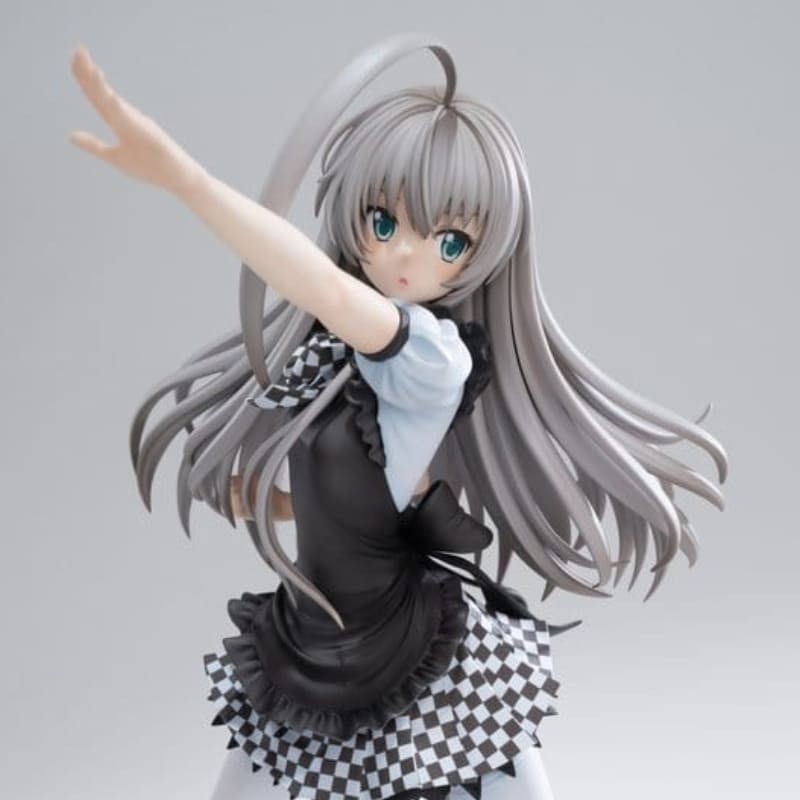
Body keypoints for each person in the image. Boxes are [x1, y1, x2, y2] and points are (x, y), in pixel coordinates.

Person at [70, 33, 727, 800]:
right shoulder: (339, 355)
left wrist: (190, 182)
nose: (407, 257)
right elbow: (370, 478)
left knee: (492, 777)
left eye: (448, 240)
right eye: (384, 224)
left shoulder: (430, 355)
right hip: (315, 627)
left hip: (402, 635)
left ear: (483, 253)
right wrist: (280, 502)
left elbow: (324, 288)